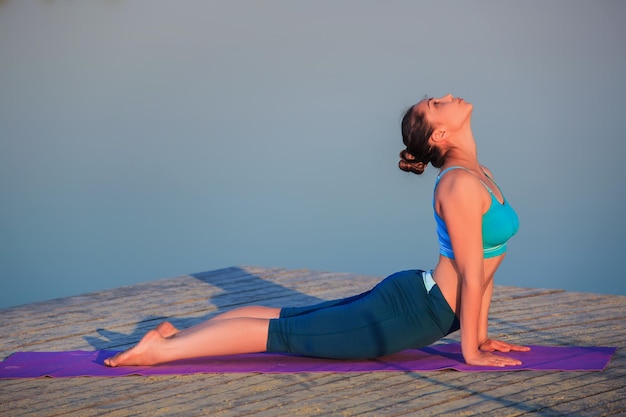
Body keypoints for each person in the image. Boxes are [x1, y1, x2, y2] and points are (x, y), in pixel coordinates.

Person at [105, 94, 529, 368]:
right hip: (416, 312)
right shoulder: (459, 184)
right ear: (440, 133)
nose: (445, 97)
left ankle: (176, 334)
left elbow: (487, 266)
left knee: (291, 320)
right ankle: (164, 349)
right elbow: (473, 274)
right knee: (284, 332)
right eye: (436, 104)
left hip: (421, 303)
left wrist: (481, 335)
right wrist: (470, 351)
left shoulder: (477, 173)